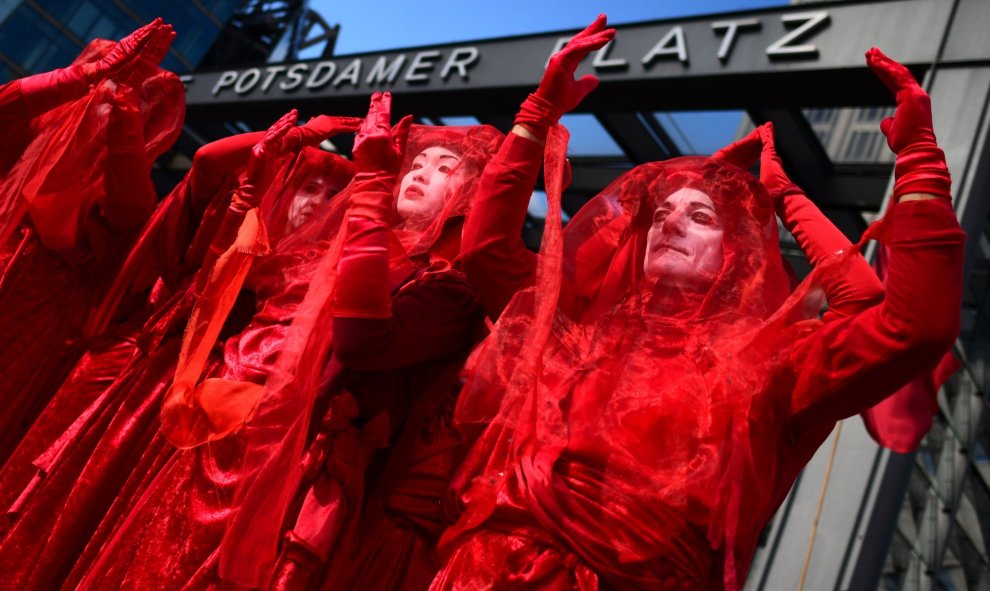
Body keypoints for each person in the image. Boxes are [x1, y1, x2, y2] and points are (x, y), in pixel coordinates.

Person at [430, 16, 963, 590]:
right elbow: (487, 252)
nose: (672, 221)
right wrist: (537, 115)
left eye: (701, 216)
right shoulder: (578, 331)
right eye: (660, 214)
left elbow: (904, 322)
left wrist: (900, 166)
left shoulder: (769, 366)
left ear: (737, 258)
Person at [0, 112, 358, 591]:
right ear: (286, 188)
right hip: (150, 394)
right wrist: (291, 138)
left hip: (210, 426)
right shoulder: (235, 221)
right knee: (73, 512)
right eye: (310, 187)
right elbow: (208, 162)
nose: (318, 204)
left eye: (334, 197)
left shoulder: (324, 280)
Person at [217, 92, 503, 591]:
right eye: (415, 162)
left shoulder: (452, 290)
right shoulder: (330, 248)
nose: (418, 171)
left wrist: (371, 182)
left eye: (444, 167)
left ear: (474, 193)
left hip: (292, 482)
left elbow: (362, 342)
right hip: (221, 437)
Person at [0, 21, 183, 464]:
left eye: (144, 102)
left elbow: (130, 208)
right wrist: (87, 76)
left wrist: (121, 101)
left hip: (35, 311)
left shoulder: (126, 180)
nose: (121, 98)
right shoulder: (30, 133)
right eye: (118, 85)